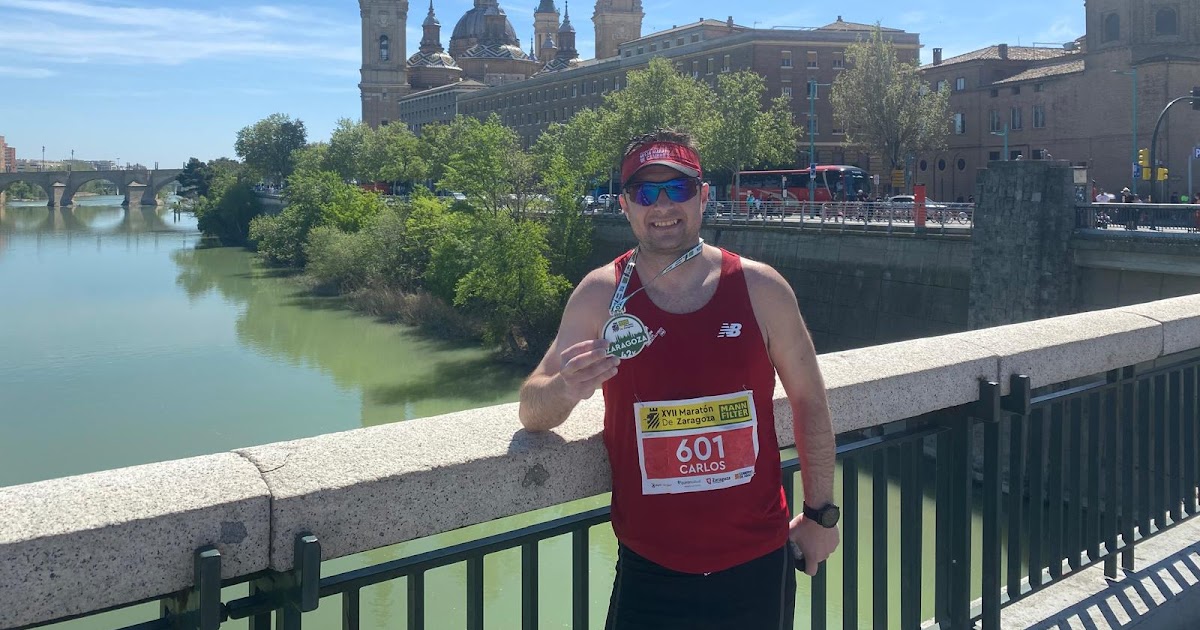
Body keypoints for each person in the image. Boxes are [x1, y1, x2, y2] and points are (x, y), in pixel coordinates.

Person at [518, 129, 840, 629]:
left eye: (679, 189)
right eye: (646, 192)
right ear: (625, 205)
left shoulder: (760, 287)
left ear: (704, 196)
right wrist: (565, 388)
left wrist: (821, 515)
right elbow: (531, 407)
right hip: (651, 568)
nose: (663, 205)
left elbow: (810, 402)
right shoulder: (601, 294)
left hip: (757, 559)